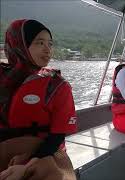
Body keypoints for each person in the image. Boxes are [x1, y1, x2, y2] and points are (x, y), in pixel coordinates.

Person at [0, 19, 77, 179]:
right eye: (39, 43)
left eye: (50, 44)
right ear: (19, 44)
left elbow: (57, 137)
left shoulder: (57, 86)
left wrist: (26, 167)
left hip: (45, 157)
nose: (47, 49)